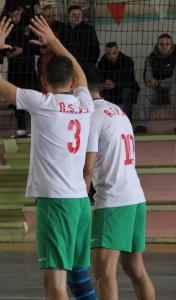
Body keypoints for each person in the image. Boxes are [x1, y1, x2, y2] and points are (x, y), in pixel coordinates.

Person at [0, 16, 94, 299]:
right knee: (79, 277)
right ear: (71, 82)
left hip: (56, 203)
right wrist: (55, 42)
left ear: (43, 81)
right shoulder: (85, 105)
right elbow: (81, 75)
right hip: (81, 202)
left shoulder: (42, 103)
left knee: (55, 283)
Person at [83, 64, 156, 300]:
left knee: (104, 273)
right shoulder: (117, 110)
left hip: (114, 201)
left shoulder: (91, 117)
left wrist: (80, 206)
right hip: (135, 197)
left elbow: (88, 168)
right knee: (136, 270)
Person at [4, 5, 39, 138]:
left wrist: (23, 50)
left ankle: (33, 128)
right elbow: (2, 49)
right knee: (16, 98)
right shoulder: (7, 28)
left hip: (29, 70)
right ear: (9, 14)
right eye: (13, 15)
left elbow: (35, 46)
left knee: (32, 98)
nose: (15, 18)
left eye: (18, 15)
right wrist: (8, 54)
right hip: (14, 70)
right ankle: (21, 127)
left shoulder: (28, 26)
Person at [134, 33, 176, 133]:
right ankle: (141, 125)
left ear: (172, 45)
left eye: (167, 44)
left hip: (172, 88)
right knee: (143, 93)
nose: (164, 46)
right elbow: (148, 78)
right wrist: (154, 84)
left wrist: (158, 83)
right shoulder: (151, 58)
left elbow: (175, 79)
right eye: (161, 44)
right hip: (155, 90)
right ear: (157, 45)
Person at [98, 42, 139, 121]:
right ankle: (106, 122)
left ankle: (127, 122)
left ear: (118, 52)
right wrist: (104, 84)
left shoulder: (127, 61)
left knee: (127, 93)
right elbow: (101, 79)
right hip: (110, 91)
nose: (111, 56)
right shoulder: (102, 63)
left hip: (127, 89)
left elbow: (130, 82)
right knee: (100, 93)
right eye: (108, 54)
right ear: (105, 53)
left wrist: (115, 85)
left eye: (114, 53)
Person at [38, 5, 66, 94]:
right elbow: (35, 46)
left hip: (59, 62)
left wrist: (51, 48)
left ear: (54, 15)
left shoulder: (62, 27)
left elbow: (65, 44)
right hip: (44, 62)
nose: (47, 19)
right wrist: (40, 50)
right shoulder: (40, 28)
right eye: (44, 16)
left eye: (49, 16)